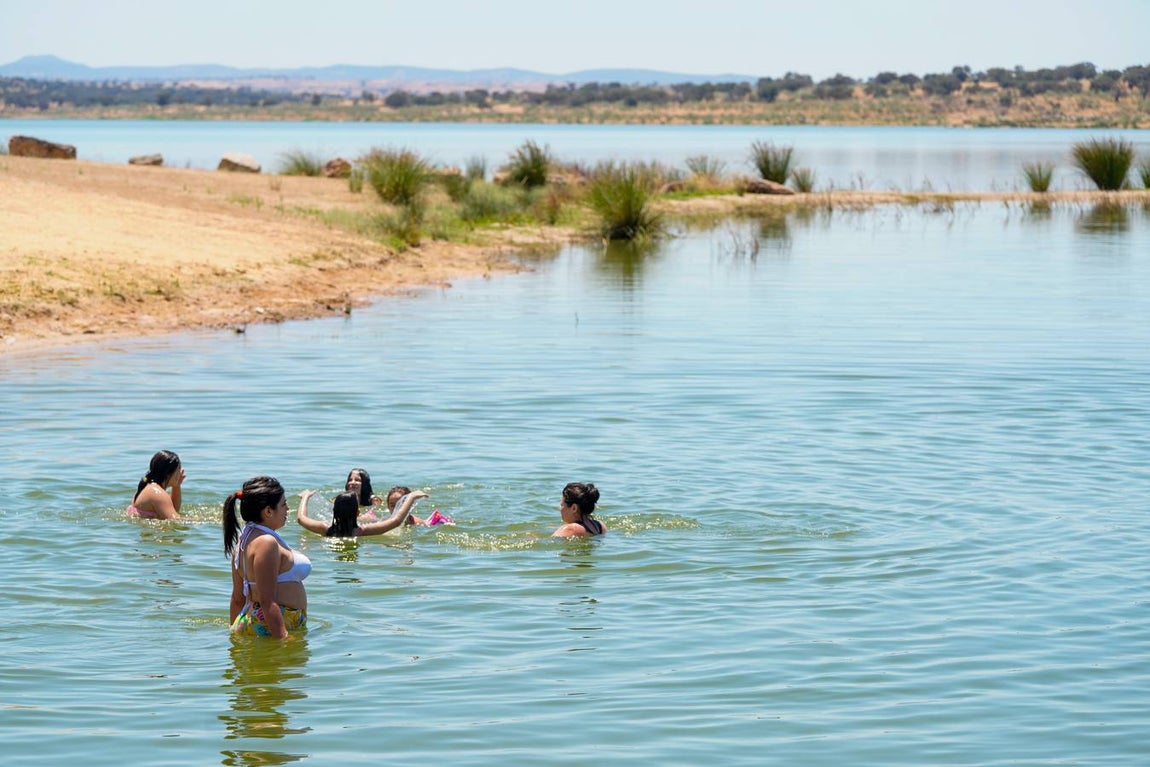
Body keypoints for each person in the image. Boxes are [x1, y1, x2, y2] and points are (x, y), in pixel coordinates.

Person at [224, 476, 311, 639]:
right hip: (272, 627)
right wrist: (283, 637)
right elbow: (267, 601)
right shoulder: (266, 542)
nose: (288, 509)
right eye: (284, 504)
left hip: (256, 624)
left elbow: (237, 598)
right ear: (268, 511)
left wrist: (233, 636)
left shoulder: (243, 541)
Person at [296, 488, 429, 537]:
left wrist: (305, 497)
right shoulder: (362, 532)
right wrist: (411, 497)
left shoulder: (325, 529)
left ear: (334, 511)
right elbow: (396, 521)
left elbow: (301, 518)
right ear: (357, 512)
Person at [126, 450, 185, 520]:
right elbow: (175, 519)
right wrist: (199, 520)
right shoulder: (157, 493)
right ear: (168, 473)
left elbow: (173, 510)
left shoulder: (147, 486)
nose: (181, 471)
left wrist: (177, 486)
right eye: (178, 469)